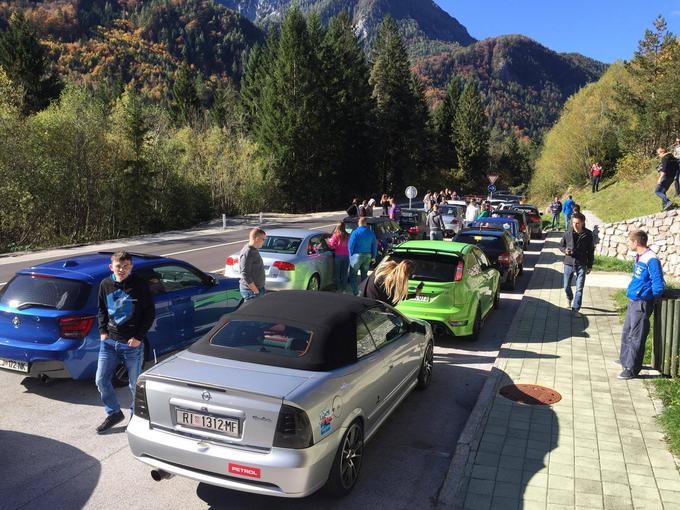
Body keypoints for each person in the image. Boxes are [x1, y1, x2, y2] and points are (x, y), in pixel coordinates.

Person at [95, 251, 155, 434]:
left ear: (131, 267)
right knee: (101, 380)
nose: (122, 270)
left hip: (131, 345)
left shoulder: (139, 285)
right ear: (111, 266)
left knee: (133, 384)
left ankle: (136, 416)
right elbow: (102, 309)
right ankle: (113, 413)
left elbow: (149, 313)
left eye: (126, 266)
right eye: (118, 266)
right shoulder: (105, 284)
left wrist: (138, 337)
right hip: (109, 343)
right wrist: (103, 331)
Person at [616, 230, 665, 380]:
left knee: (636, 336)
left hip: (642, 303)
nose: (628, 244)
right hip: (633, 301)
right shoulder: (640, 257)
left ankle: (632, 368)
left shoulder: (651, 259)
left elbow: (658, 283)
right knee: (627, 332)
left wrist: (651, 298)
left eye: (629, 241)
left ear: (636, 243)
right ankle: (625, 360)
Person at [559, 212, 594, 317]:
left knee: (579, 288)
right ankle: (569, 298)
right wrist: (565, 250)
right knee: (566, 286)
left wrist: (590, 265)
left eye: (577, 223)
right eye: (573, 222)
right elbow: (561, 245)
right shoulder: (567, 233)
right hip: (569, 263)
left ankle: (576, 309)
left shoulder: (588, 234)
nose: (575, 225)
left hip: (582, 263)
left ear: (582, 223)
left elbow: (591, 251)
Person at [348, 217, 377, 295]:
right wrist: (374, 256)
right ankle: (363, 291)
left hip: (357, 256)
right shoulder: (371, 233)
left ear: (359, 223)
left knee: (353, 275)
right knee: (364, 276)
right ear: (366, 223)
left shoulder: (355, 232)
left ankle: (356, 292)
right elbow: (374, 245)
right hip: (367, 256)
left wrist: (350, 256)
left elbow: (350, 245)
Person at [239, 227, 267, 300]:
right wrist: (256, 291)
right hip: (251, 292)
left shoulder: (254, 249)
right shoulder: (248, 252)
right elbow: (245, 274)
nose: (264, 241)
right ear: (257, 239)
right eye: (263, 239)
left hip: (258, 289)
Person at [327, 223, 350, 293]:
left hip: (338, 256)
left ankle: (338, 288)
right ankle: (344, 289)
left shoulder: (336, 235)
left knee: (337, 273)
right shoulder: (348, 235)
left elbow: (332, 246)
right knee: (344, 273)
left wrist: (327, 242)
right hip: (346, 256)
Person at [655, 146, 677, 211]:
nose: (659, 155)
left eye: (658, 154)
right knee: (663, 191)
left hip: (666, 177)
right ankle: (666, 207)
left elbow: (664, 170)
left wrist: (660, 179)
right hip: (672, 177)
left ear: (662, 152)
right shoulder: (672, 157)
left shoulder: (665, 158)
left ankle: (668, 202)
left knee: (658, 191)